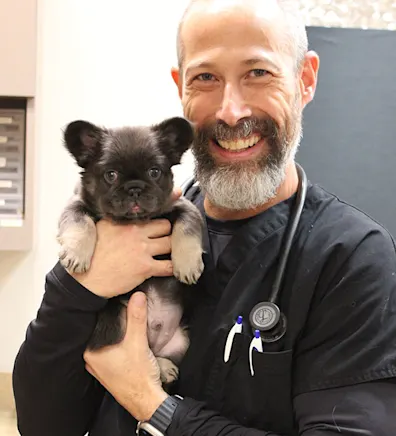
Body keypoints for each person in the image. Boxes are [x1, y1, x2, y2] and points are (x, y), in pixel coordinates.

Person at [12, 0, 396, 435]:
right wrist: (76, 289)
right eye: (206, 78)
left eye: (258, 73)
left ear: (305, 80)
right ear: (181, 88)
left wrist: (153, 405)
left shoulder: (351, 257)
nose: (231, 111)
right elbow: (43, 423)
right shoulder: (118, 233)